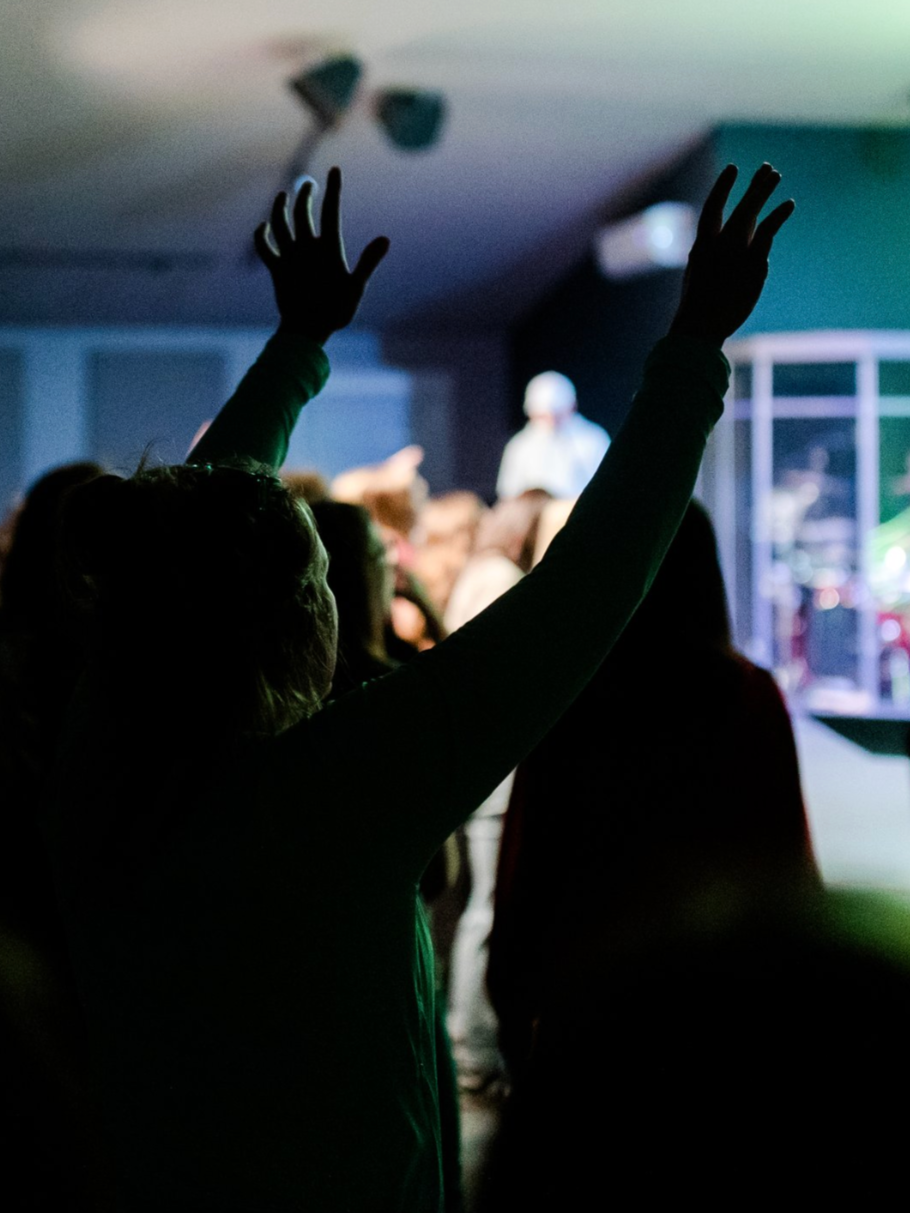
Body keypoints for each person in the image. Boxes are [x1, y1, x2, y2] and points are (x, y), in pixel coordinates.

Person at [45, 162, 793, 1211]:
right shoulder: (327, 795)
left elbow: (186, 543)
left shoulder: (98, 763)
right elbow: (582, 594)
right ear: (288, 617)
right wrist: (690, 351)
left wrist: (298, 347)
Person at [495, 371, 610, 499]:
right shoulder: (519, 446)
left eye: (558, 415)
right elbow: (508, 493)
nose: (551, 423)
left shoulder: (594, 439)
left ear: (572, 407)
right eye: (543, 417)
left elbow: (605, 488)